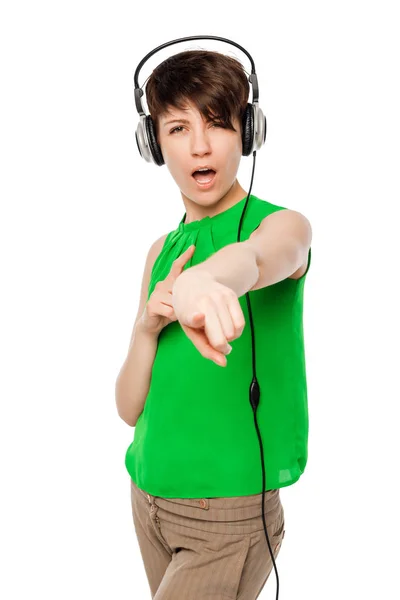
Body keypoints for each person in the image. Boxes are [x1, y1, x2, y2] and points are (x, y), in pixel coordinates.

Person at [115, 49, 312, 599]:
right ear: (155, 144)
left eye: (218, 124)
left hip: (223, 516)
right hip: (148, 494)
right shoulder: (162, 250)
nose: (199, 146)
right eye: (178, 128)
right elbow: (129, 408)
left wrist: (208, 280)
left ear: (247, 133)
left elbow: (258, 258)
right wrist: (146, 330)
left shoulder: (281, 226)